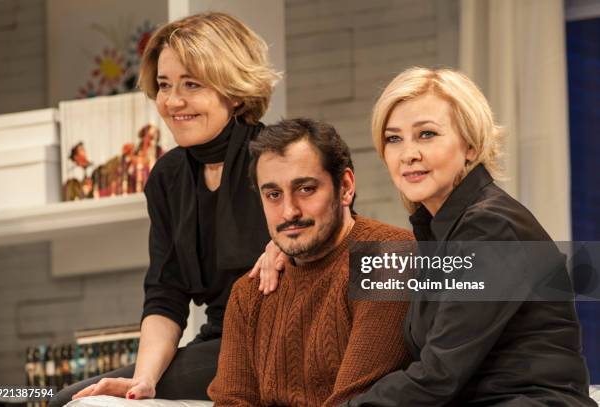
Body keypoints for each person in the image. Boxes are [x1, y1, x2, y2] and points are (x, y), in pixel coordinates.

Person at [49, 12, 280, 406]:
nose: (173, 101)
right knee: (71, 399)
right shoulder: (166, 178)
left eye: (191, 84)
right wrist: (144, 381)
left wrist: (287, 246)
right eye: (164, 85)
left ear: (235, 90)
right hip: (220, 344)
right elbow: (165, 294)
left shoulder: (283, 154)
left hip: (282, 345)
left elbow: (337, 232)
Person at [342, 67, 595, 405]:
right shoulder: (438, 233)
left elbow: (438, 376)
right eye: (393, 138)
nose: (408, 154)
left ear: (471, 146)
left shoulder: (491, 228)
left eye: (427, 134)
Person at [208, 118, 414, 406]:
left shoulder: (388, 257)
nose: (289, 211)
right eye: (273, 195)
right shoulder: (248, 294)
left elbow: (356, 401)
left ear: (345, 186)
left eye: (305, 189)